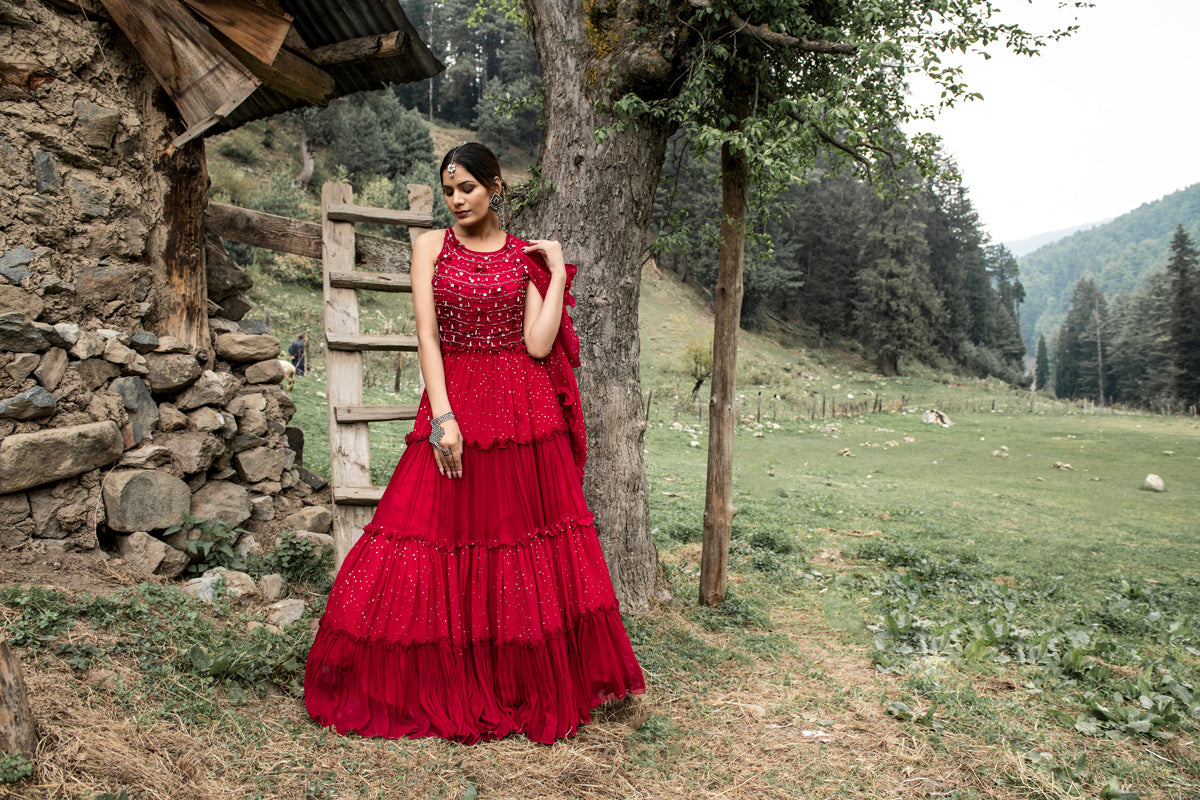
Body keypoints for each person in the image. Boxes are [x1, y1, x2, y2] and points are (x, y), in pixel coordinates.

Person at [304, 143, 645, 744]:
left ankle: (514, 680)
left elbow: (539, 345)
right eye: (449, 190)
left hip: (522, 415)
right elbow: (427, 338)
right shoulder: (430, 248)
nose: (457, 200)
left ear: (495, 187)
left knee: (517, 547)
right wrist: (442, 419)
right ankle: (437, 674)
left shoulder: (523, 258)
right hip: (456, 399)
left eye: (467, 188)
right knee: (431, 534)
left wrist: (558, 270)